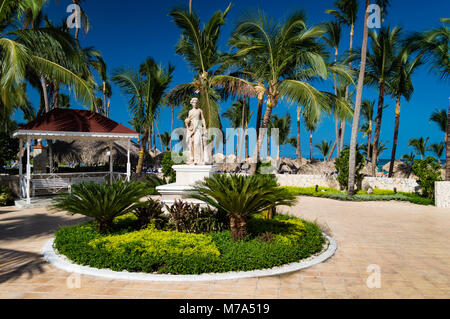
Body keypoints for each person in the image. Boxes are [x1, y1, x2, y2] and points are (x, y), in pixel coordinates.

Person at [185, 97, 208, 165]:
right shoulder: (190, 111)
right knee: (191, 143)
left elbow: (203, 119)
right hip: (191, 128)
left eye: (196, 102)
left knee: (197, 143)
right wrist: (187, 122)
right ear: (192, 103)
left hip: (198, 127)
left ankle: (198, 160)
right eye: (194, 102)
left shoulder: (200, 110)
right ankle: (192, 158)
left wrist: (205, 127)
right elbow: (188, 120)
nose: (195, 103)